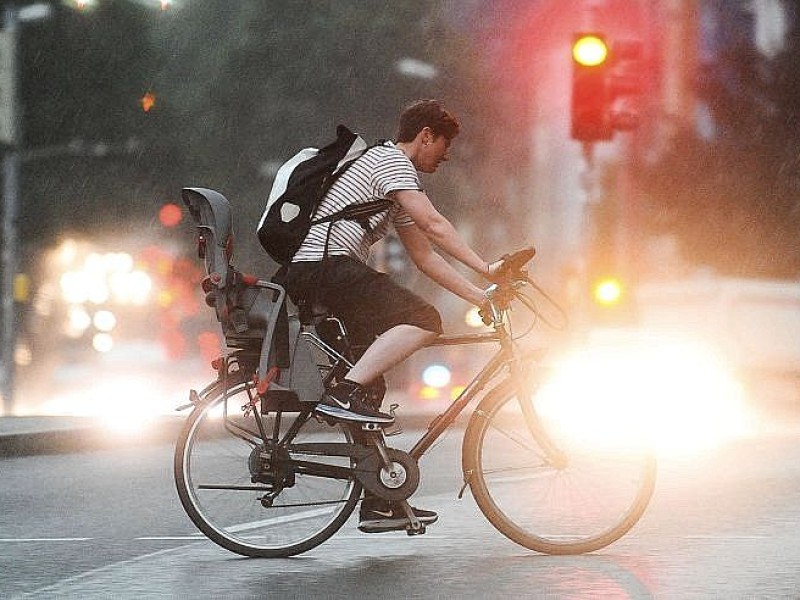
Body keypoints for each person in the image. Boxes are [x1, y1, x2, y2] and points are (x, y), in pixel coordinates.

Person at [285, 99, 499, 533]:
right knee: (424, 319)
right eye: (443, 144)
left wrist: (481, 296)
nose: (447, 154)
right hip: (325, 266)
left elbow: (426, 257)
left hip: (323, 271)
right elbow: (435, 225)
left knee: (370, 387)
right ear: (424, 136)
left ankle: (378, 501)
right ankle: (343, 392)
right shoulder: (391, 162)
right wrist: (488, 267)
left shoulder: (394, 185)